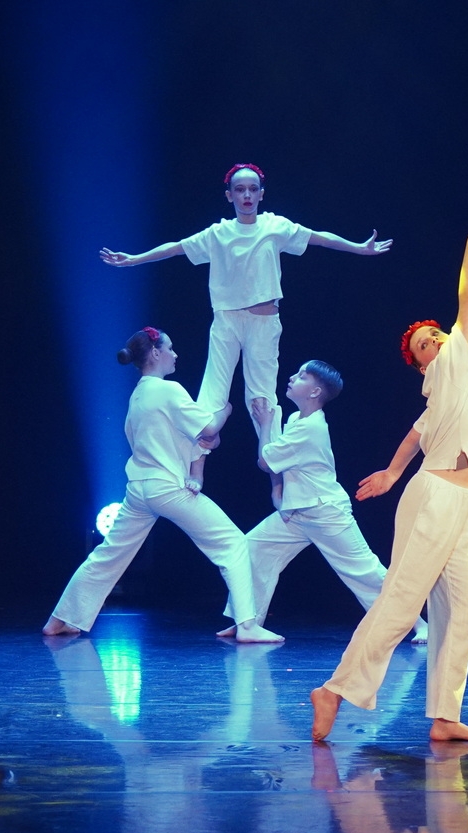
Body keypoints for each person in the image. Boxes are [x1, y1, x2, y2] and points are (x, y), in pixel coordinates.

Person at [310, 213, 468, 744]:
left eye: (435, 334)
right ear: (423, 365)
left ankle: (445, 716)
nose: (437, 339)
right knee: (402, 600)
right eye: (426, 343)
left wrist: (392, 472)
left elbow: (414, 435)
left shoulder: (455, 386)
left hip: (463, 505)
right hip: (437, 498)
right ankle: (335, 689)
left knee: (462, 613)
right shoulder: (450, 366)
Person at [98, 164, 391, 446]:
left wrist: (357, 247)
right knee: (212, 394)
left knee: (262, 398)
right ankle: (194, 464)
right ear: (230, 195)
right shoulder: (218, 233)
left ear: (262, 193)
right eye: (240, 190)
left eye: (253, 189)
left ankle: (274, 464)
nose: (247, 195)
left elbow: (319, 238)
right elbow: (176, 248)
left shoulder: (275, 226)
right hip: (226, 321)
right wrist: (134, 259)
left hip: (263, 322)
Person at [41, 328, 285, 642]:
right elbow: (210, 427)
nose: (175, 354)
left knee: (108, 556)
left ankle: (59, 619)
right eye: (170, 348)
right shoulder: (168, 390)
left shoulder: (138, 396)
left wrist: (204, 445)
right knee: (233, 544)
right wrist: (224, 412)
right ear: (156, 353)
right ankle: (247, 625)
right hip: (165, 487)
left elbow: (197, 438)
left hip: (139, 490)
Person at [216, 360, 429, 642]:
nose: (293, 377)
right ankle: (247, 621)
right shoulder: (296, 420)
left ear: (315, 391)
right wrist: (278, 494)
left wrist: (266, 424)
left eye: (302, 376)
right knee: (252, 549)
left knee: (364, 571)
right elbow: (279, 464)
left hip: (325, 513)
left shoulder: (311, 428)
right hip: (297, 514)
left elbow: (266, 461)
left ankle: (419, 623)